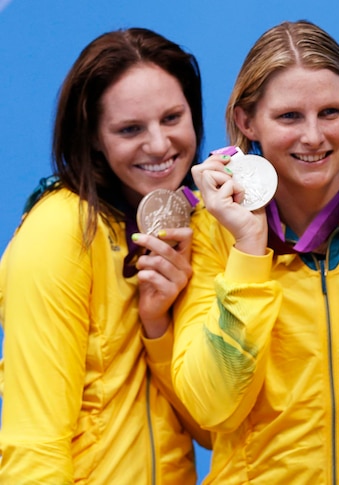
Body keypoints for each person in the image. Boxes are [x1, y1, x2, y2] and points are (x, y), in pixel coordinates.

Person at [171, 20, 339, 484]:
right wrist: (248, 249)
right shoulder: (208, 231)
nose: (314, 136)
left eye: (331, 112)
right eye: (289, 117)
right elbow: (211, 406)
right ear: (246, 120)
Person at [0, 28, 209, 483]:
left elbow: (209, 426)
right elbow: (34, 438)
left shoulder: (189, 224)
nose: (159, 145)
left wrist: (158, 329)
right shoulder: (59, 232)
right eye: (130, 129)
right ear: (93, 136)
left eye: (172, 118)